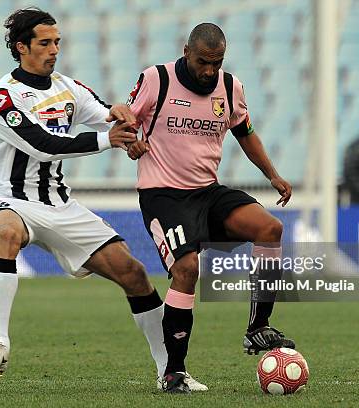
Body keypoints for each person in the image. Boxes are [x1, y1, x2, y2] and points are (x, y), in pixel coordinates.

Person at [0, 8, 207, 392]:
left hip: (61, 206)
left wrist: (126, 126)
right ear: (21, 47)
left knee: (133, 273)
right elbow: (42, 145)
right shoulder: (2, 97)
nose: (54, 50)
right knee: (7, 234)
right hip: (10, 198)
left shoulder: (67, 87)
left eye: (57, 42)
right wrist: (108, 140)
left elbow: (105, 117)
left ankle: (171, 371)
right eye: (45, 43)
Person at [126, 23, 295, 393]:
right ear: (186, 51)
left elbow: (245, 133)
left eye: (216, 63)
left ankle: (258, 328)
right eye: (203, 62)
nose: (208, 71)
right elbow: (126, 117)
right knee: (187, 268)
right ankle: (174, 372)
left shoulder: (231, 88)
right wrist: (132, 143)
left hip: (207, 193)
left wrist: (273, 175)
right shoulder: (157, 79)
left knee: (270, 229)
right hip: (163, 195)